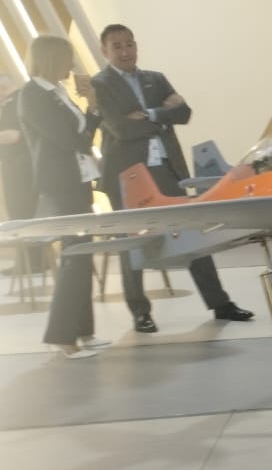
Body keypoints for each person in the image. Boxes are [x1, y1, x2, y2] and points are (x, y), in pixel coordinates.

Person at [93, 24, 254, 333]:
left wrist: (148, 115)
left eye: (129, 44)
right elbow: (120, 129)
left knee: (193, 232)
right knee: (131, 243)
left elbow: (185, 113)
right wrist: (163, 116)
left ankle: (220, 303)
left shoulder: (156, 78)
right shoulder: (101, 84)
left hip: (167, 169)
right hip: (127, 175)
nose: (125, 51)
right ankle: (140, 312)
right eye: (117, 46)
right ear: (105, 51)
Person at [19, 36, 111, 358]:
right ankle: (63, 337)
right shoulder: (32, 95)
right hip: (61, 186)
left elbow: (81, 136)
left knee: (82, 256)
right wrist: (90, 115)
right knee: (74, 259)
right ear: (51, 58)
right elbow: (73, 139)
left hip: (78, 181)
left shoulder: (56, 92)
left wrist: (92, 105)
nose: (71, 65)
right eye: (67, 58)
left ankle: (84, 332)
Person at [0, 73, 45, 273]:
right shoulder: (22, 99)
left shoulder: (12, 103)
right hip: (27, 166)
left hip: (18, 169)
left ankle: (30, 263)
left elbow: (13, 135)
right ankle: (34, 261)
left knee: (20, 214)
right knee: (29, 213)